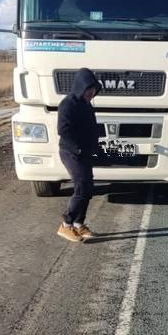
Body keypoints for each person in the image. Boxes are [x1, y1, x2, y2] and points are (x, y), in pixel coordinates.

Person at [56, 68, 102, 242]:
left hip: (85, 152)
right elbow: (63, 130)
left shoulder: (86, 104)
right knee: (81, 187)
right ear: (80, 87)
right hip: (71, 152)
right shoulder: (67, 104)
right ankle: (66, 225)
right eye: (88, 90)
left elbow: (91, 127)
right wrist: (79, 148)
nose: (91, 93)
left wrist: (95, 146)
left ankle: (78, 225)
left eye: (93, 91)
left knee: (88, 189)